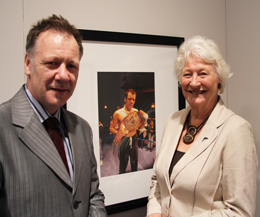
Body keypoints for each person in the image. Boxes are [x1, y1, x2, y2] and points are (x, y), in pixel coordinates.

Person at [0, 14, 107, 217]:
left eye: (71, 66)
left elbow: (92, 195)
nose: (64, 75)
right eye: (52, 63)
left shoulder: (82, 129)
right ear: (27, 64)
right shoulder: (3, 126)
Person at [147, 36, 258, 217]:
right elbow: (158, 181)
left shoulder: (237, 130)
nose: (194, 82)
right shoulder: (173, 121)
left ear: (219, 79)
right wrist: (154, 212)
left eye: (203, 73)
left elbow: (240, 212)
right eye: (187, 74)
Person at [109, 89, 148, 174]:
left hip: (134, 139)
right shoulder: (118, 113)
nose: (131, 101)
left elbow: (139, 127)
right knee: (123, 165)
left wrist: (144, 120)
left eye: (133, 99)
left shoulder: (136, 112)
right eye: (130, 99)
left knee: (134, 164)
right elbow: (111, 127)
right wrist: (120, 133)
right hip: (124, 140)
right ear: (125, 99)